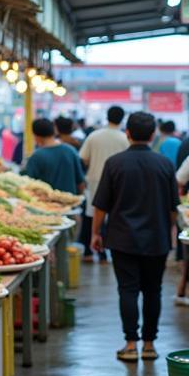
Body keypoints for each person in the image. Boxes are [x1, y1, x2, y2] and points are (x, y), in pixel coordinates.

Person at [92, 111, 179, 362]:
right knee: (153, 290)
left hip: (122, 238)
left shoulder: (115, 163)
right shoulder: (164, 164)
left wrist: (96, 232)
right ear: (153, 135)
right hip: (157, 237)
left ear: (127, 133)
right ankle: (149, 344)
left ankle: (130, 344)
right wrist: (169, 230)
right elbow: (174, 208)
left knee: (127, 290)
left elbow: (101, 206)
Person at [79, 105, 129, 262]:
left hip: (95, 180)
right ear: (122, 119)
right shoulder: (124, 138)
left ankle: (88, 251)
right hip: (118, 183)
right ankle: (105, 252)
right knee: (112, 216)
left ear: (107, 117)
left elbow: (84, 158)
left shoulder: (94, 136)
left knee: (92, 214)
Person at [22, 118, 85, 195]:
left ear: (36, 136)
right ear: (54, 131)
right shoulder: (71, 151)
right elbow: (81, 183)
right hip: (71, 202)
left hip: (46, 205)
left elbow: (29, 185)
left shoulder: (36, 156)